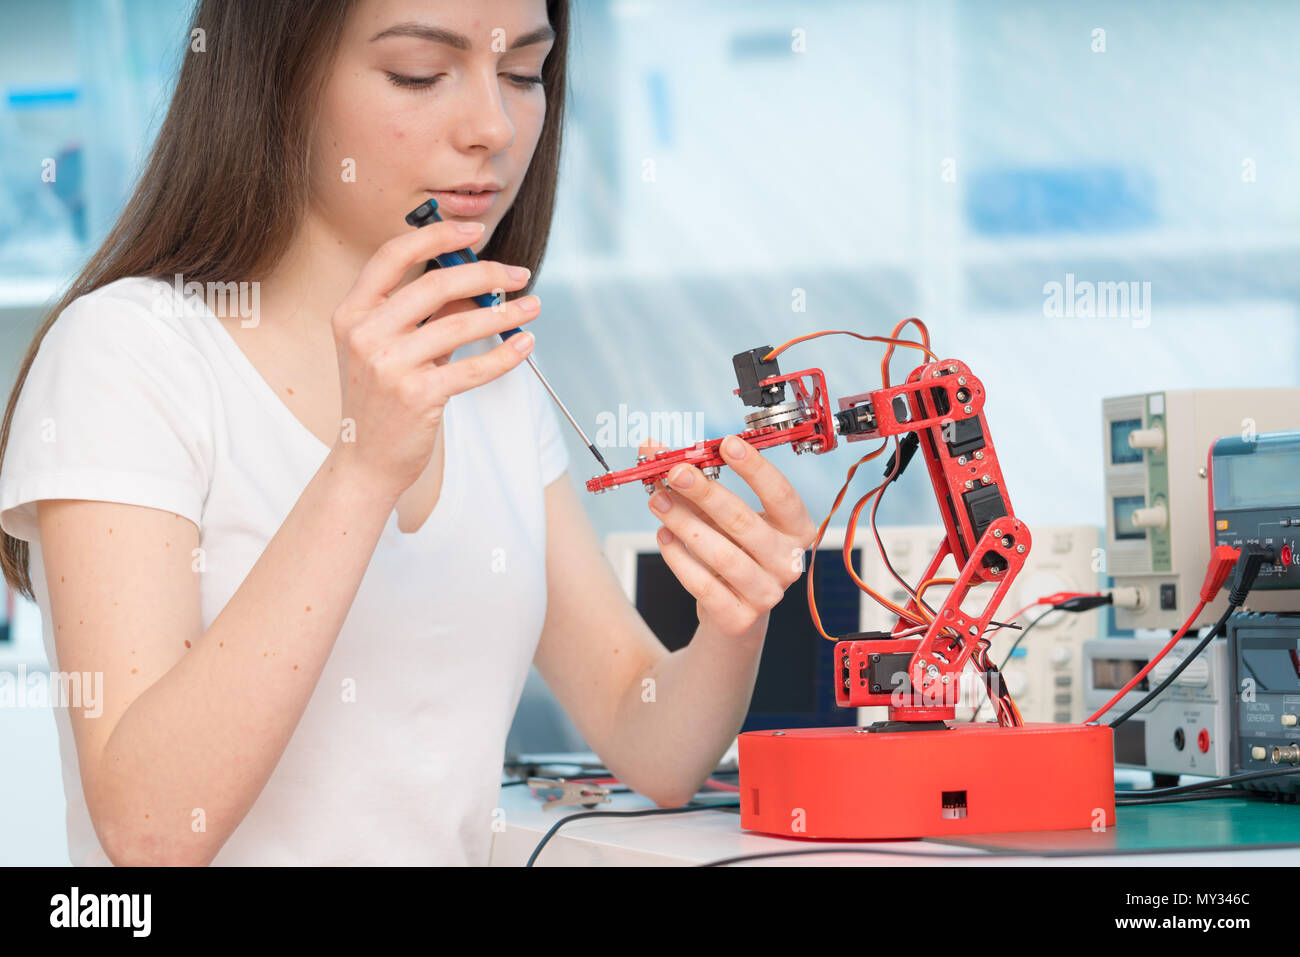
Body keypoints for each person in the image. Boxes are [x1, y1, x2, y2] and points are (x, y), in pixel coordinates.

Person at [0, 0, 817, 866]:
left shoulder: (485, 370)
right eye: (420, 74)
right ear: (278, 80)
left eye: (522, 74)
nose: (492, 128)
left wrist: (733, 622)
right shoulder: (127, 354)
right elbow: (151, 829)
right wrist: (359, 471)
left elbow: (649, 741)